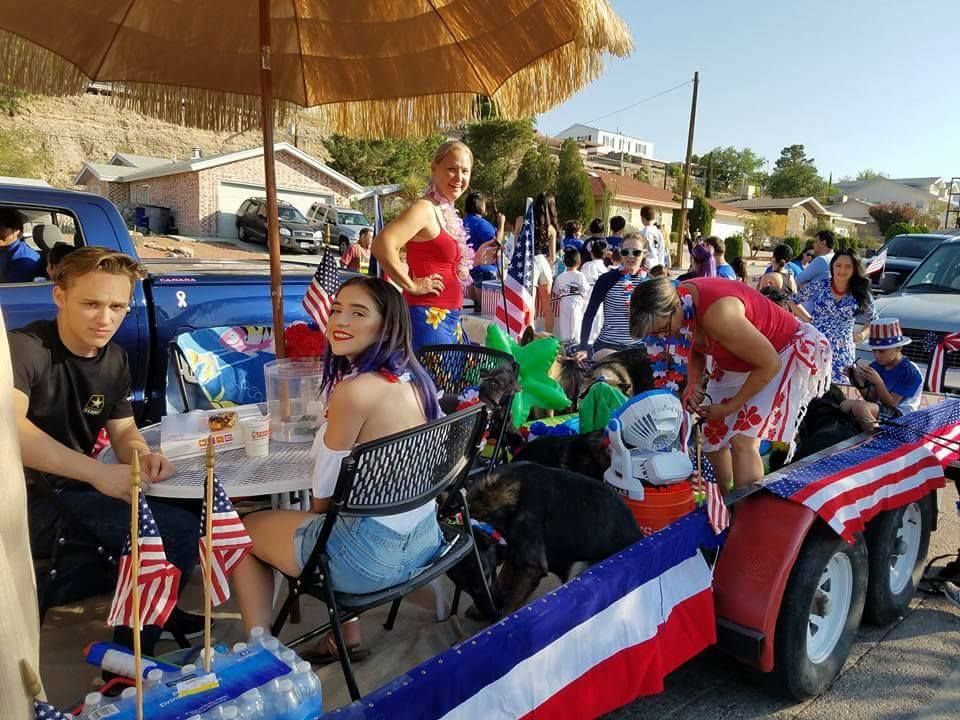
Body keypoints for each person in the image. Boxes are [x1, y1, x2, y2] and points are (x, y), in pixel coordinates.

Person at [232, 277, 443, 662]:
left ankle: (259, 656)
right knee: (339, 521)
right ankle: (346, 637)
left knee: (240, 531)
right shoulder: (419, 380)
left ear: (387, 325)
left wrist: (305, 523)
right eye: (336, 309)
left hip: (371, 561)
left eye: (358, 313)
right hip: (426, 540)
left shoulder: (356, 390)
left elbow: (322, 493)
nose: (338, 321)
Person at [10, 247, 201, 656]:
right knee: (173, 531)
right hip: (29, 500)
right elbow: (13, 431)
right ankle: (128, 661)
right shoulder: (26, 348)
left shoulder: (114, 359)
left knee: (190, 513)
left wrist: (140, 455)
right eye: (91, 304)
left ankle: (156, 609)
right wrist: (97, 474)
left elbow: (124, 430)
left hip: (77, 490)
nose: (105, 318)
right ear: (60, 297)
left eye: (117, 306)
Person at [634, 275, 831, 491]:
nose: (662, 336)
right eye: (655, 333)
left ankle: (747, 513)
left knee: (743, 442)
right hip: (736, 359)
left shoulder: (719, 315)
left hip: (778, 354)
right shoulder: (684, 306)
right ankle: (726, 501)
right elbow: (694, 345)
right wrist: (693, 383)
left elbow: (768, 364)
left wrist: (730, 407)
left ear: (676, 305)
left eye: (662, 328)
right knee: (712, 439)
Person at [372, 140, 495, 348]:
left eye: (465, 171)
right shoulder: (425, 208)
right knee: (434, 380)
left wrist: (473, 261)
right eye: (451, 169)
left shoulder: (445, 210)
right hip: (427, 320)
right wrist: (411, 285)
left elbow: (443, 264)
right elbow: (382, 245)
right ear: (434, 168)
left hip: (452, 319)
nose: (459, 178)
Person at [788, 249, 876, 384]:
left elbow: (873, 320)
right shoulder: (819, 286)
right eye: (838, 265)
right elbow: (793, 301)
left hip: (843, 352)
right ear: (832, 266)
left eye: (848, 266)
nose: (842, 270)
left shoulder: (861, 292)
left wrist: (862, 335)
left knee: (837, 393)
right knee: (810, 387)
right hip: (816, 346)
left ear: (855, 269)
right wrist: (809, 320)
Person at [842, 318, 922, 431]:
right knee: (844, 405)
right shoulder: (876, 366)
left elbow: (891, 403)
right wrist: (859, 382)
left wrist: (878, 382)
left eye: (882, 351)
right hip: (882, 409)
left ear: (898, 348)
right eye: (874, 351)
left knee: (860, 407)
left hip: (903, 416)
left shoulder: (910, 372)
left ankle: (875, 441)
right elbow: (872, 399)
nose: (877, 356)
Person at [577, 233, 648, 358]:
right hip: (608, 345)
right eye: (626, 252)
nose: (630, 257)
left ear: (644, 254)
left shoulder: (649, 283)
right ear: (620, 253)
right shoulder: (606, 279)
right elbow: (590, 313)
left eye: (636, 252)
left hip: (640, 347)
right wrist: (583, 347)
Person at [462, 192, 506, 295]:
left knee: (476, 308)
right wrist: (501, 224)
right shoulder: (481, 223)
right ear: (480, 205)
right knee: (486, 309)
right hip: (485, 271)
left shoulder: (463, 222)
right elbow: (497, 244)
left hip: (470, 271)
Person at [530, 192, 560, 333]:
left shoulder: (523, 222)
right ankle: (549, 337)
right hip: (544, 263)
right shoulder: (551, 229)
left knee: (530, 305)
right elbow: (553, 257)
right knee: (547, 306)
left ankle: (528, 337)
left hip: (530, 263)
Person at [552, 248, 589, 347]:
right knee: (576, 326)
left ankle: (565, 346)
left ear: (564, 262)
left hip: (564, 302)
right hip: (577, 303)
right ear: (578, 262)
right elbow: (586, 289)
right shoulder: (581, 276)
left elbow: (556, 290)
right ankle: (575, 346)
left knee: (564, 327)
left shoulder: (561, 276)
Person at [0, 207, 43, 283]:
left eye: (1, 229)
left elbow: (10, 292)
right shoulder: (7, 250)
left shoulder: (23, 259)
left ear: (18, 232)